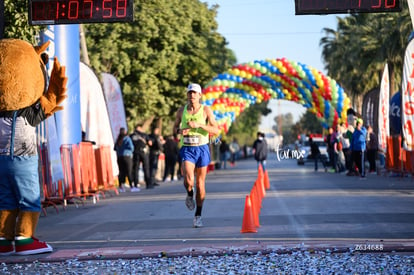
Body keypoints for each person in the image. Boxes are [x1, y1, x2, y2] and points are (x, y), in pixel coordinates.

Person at [173, 83, 220, 228]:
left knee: (200, 184)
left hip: (202, 149)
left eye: (194, 93)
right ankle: (189, 193)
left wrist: (200, 125)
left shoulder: (206, 110)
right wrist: (181, 131)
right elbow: (174, 128)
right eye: (189, 93)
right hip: (187, 148)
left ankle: (198, 215)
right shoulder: (182, 110)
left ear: (199, 95)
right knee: (188, 179)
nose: (191, 95)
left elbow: (216, 130)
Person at [130, 124, 153, 189]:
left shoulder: (131, 135)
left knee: (136, 169)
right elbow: (150, 143)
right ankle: (148, 184)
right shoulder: (144, 135)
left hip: (135, 153)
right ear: (139, 128)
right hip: (143, 152)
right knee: (146, 168)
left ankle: (135, 184)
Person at [114, 127, 136, 192]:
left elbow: (115, 148)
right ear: (125, 132)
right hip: (127, 156)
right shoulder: (127, 138)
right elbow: (131, 147)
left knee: (121, 171)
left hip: (119, 157)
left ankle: (121, 186)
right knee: (129, 171)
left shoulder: (118, 139)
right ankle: (131, 186)